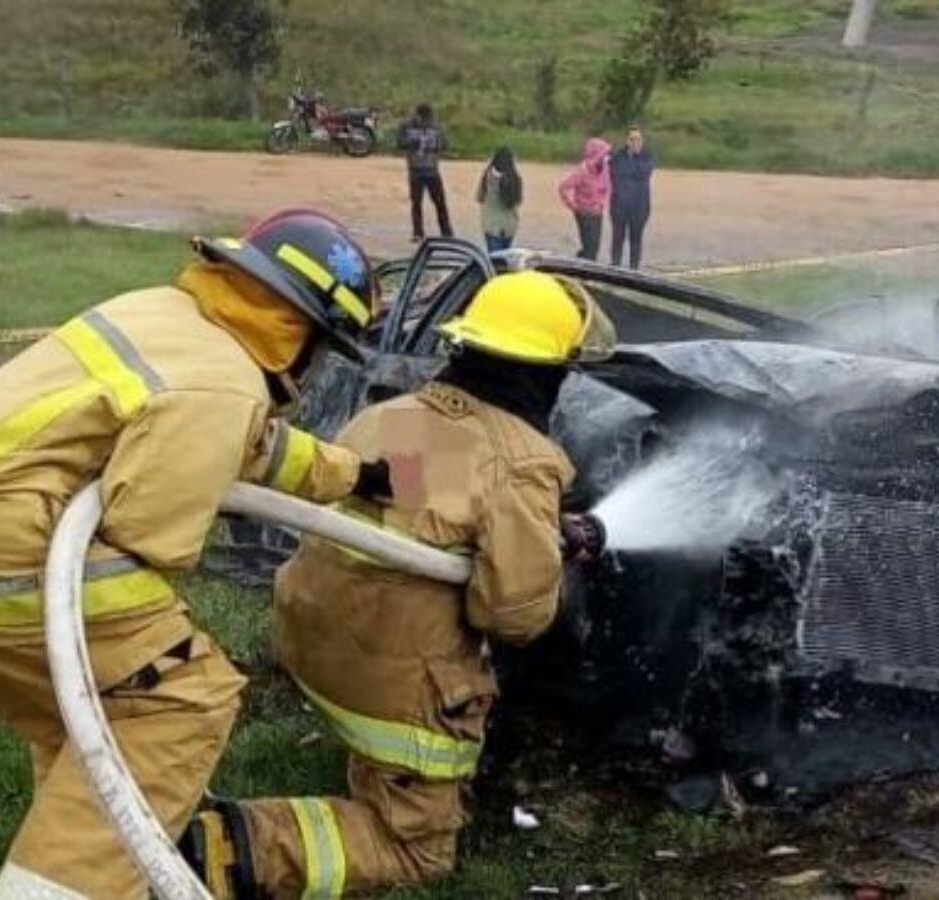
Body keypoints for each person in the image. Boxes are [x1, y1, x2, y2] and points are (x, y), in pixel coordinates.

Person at [0, 209, 393, 900]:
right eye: (324, 347)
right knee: (181, 699)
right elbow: (152, 535)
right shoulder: (223, 382)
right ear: (297, 330)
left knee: (92, 711)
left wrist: (356, 475)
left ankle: (87, 863)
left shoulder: (169, 317)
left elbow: (250, 444)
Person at [182, 271, 612, 898]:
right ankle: (228, 846)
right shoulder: (523, 458)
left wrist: (533, 526)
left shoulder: (394, 417)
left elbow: (417, 510)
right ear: (549, 373)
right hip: (389, 686)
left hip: (311, 641)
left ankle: (370, 774)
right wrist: (549, 561)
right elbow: (515, 616)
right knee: (418, 853)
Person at [397, 103, 453, 242]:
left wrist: (433, 144)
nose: (425, 121)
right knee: (416, 203)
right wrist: (412, 143)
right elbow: (399, 142)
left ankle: (446, 231)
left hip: (432, 170)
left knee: (440, 202)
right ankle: (418, 232)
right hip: (415, 170)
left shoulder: (436, 127)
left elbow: (445, 144)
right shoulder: (407, 126)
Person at [608, 125, 656, 269]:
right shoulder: (617, 157)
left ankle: (634, 269)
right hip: (618, 206)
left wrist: (630, 162)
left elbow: (642, 172)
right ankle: (615, 267)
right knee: (617, 238)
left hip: (639, 207)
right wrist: (627, 162)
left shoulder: (648, 157)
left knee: (636, 239)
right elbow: (614, 172)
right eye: (632, 139)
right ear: (626, 141)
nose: (635, 142)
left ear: (642, 141)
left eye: (638, 139)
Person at [557, 137, 612, 261]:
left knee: (594, 247)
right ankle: (582, 269)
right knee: (589, 249)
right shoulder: (583, 171)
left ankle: (582, 264)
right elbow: (563, 187)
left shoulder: (605, 169)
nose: (606, 157)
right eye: (604, 154)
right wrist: (573, 206)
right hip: (584, 213)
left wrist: (602, 203)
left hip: (597, 212)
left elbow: (608, 187)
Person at [476, 146, 523, 253]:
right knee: (505, 258)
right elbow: (518, 201)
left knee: (495, 261)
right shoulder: (515, 178)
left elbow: (480, 197)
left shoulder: (487, 177)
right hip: (510, 226)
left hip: (491, 225)